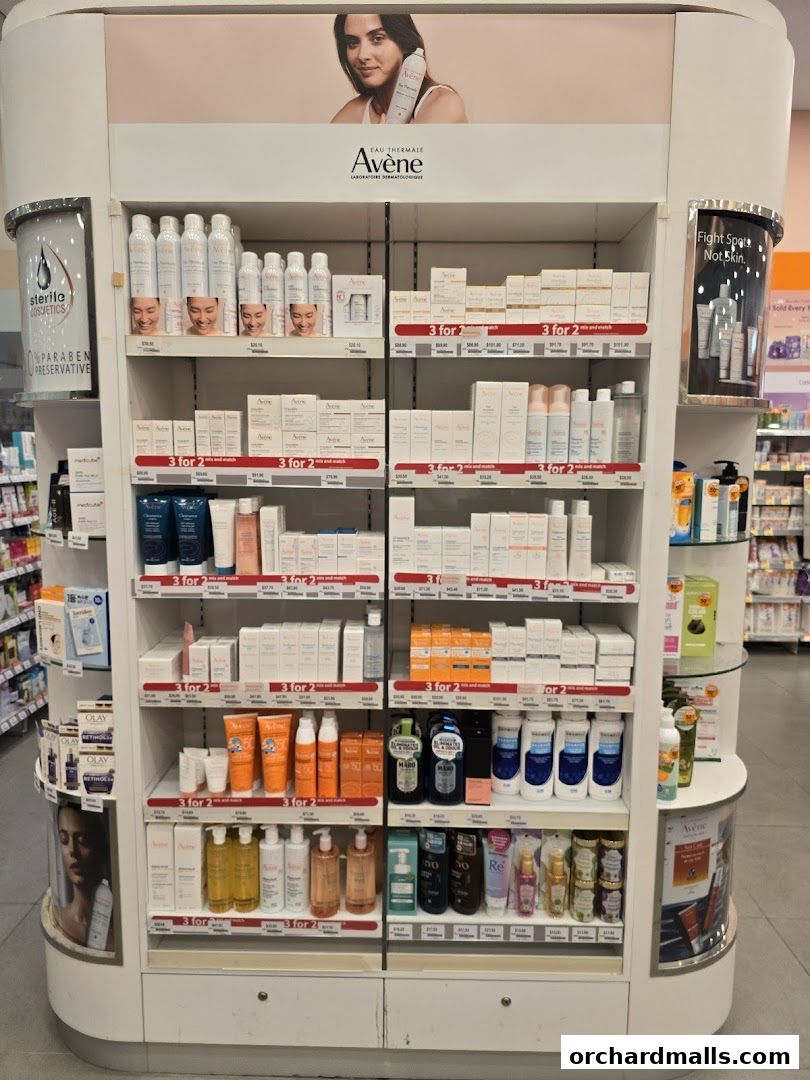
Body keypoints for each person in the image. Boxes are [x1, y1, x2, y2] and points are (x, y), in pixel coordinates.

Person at [331, 14, 467, 125]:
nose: (362, 55)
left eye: (377, 38)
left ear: (405, 42)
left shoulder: (444, 104)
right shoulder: (354, 112)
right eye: (352, 43)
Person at [53, 804, 114, 951]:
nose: (73, 850)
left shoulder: (120, 928)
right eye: (64, 839)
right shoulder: (60, 919)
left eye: (82, 840)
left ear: (101, 844)